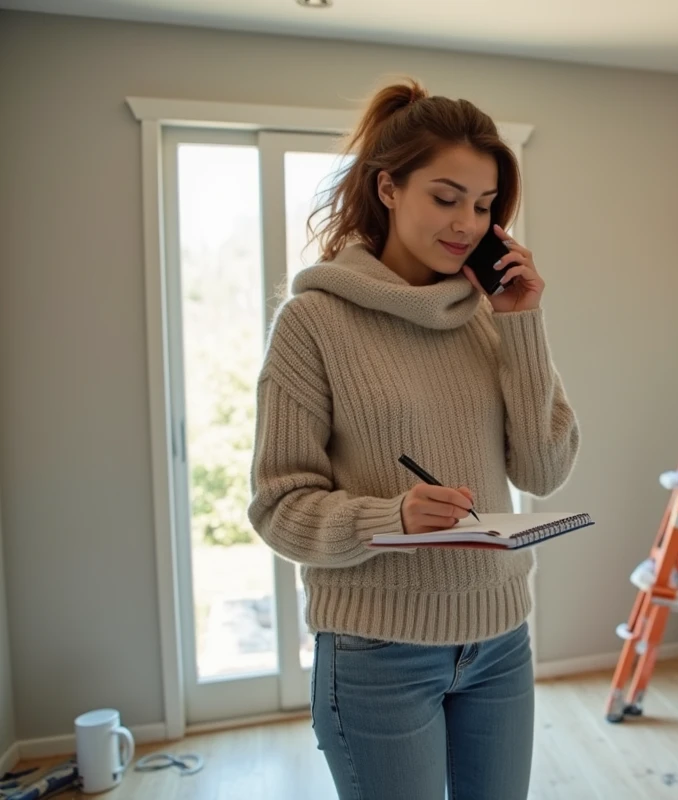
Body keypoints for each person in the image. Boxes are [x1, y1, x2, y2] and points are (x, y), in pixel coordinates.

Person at [247, 78, 580, 800]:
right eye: (446, 196)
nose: (467, 222)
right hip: (376, 654)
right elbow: (279, 507)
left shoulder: (494, 314)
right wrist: (389, 516)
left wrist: (523, 322)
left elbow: (545, 469)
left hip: (499, 642)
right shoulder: (313, 323)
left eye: (486, 205)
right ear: (389, 188)